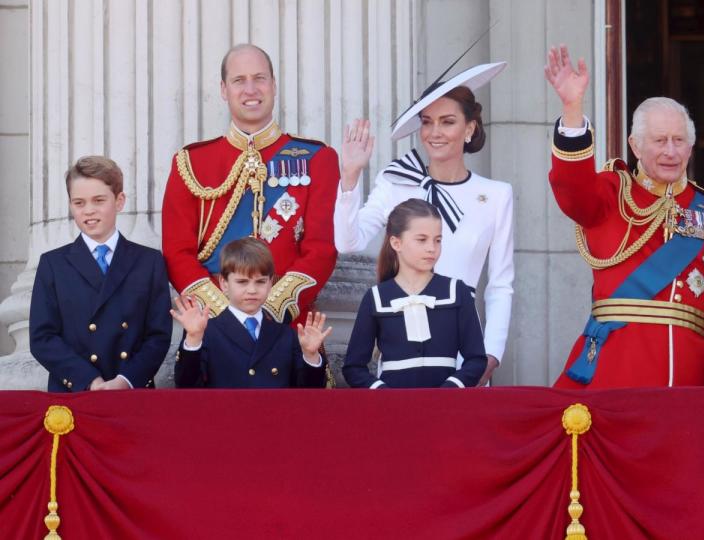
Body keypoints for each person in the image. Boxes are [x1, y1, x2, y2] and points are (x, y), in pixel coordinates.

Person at [544, 45, 704, 388]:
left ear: (691, 147)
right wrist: (572, 109)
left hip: (688, 378)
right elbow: (571, 188)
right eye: (660, 140)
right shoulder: (609, 193)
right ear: (635, 145)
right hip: (614, 371)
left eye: (679, 140)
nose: (670, 151)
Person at [334, 61, 513, 386]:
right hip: (402, 344)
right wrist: (350, 178)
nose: (434, 133)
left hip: (463, 347)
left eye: (447, 122)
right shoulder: (397, 181)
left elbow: (500, 284)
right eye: (427, 122)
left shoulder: (497, 195)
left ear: (470, 128)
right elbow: (348, 242)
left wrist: (490, 355)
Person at [161, 44, 339, 326]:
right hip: (213, 328)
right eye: (239, 80)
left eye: (259, 78)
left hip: (288, 330)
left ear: (274, 85)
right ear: (223, 89)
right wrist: (225, 315)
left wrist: (269, 310)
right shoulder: (191, 163)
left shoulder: (318, 159)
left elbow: (321, 250)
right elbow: (177, 252)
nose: (250, 89)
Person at [30, 156, 172, 392]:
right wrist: (89, 380)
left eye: (98, 200)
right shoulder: (52, 264)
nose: (89, 211)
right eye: (79, 203)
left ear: (119, 201)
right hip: (75, 392)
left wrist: (126, 381)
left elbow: (158, 335)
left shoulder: (149, 262)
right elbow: (42, 337)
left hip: (132, 393)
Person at [342, 199, 487, 389]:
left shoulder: (456, 291)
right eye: (422, 239)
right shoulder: (376, 298)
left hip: (447, 409)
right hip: (394, 411)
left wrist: (451, 389)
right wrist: (383, 393)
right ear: (396, 243)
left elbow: (476, 359)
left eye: (438, 240)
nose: (431, 248)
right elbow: (353, 367)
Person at [172, 237, 330, 388]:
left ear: (270, 283)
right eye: (242, 282)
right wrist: (192, 340)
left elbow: (308, 395)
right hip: (224, 415)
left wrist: (310, 356)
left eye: (260, 282)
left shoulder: (286, 335)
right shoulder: (206, 332)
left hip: (275, 415)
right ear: (224, 283)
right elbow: (187, 387)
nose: (252, 290)